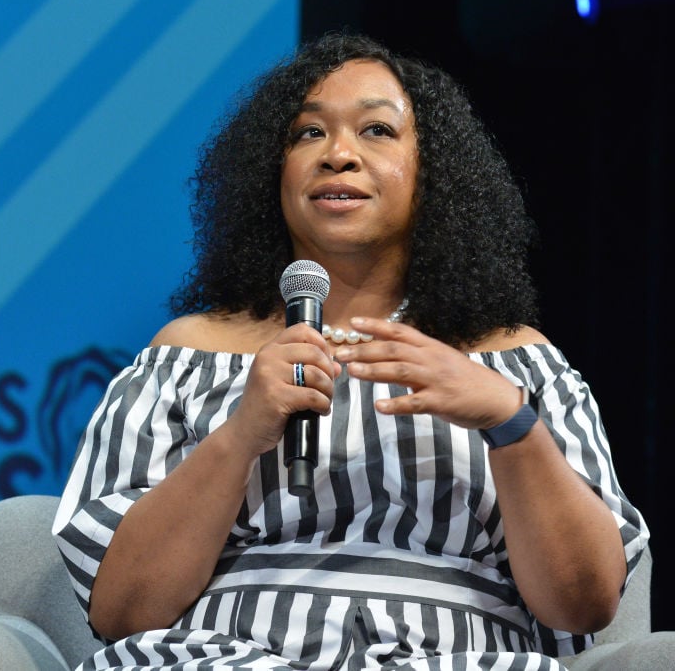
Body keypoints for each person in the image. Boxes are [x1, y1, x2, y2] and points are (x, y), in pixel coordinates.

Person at [51, 33, 648, 670]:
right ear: (270, 172)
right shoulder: (187, 355)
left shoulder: (516, 364)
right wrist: (240, 432)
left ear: (434, 173)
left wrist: (511, 425)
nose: (338, 155)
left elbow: (584, 606)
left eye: (377, 131)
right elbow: (121, 612)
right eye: (308, 133)